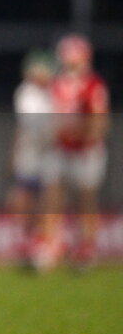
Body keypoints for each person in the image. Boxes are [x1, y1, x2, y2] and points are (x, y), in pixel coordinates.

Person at [32, 34, 110, 271]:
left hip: (86, 149)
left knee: (86, 199)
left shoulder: (93, 85)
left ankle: (87, 246)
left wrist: (89, 137)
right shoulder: (57, 84)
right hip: (61, 146)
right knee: (52, 194)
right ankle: (49, 243)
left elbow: (100, 119)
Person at [6, 50, 54, 264]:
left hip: (52, 150)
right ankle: (32, 242)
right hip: (33, 150)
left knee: (47, 198)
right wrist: (15, 153)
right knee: (24, 199)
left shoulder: (57, 90)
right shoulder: (26, 93)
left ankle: (46, 244)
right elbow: (27, 126)